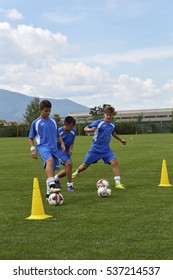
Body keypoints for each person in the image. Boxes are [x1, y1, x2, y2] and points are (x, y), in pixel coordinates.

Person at [72, 105, 127, 189]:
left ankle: (117, 183)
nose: (108, 116)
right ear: (104, 114)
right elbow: (85, 128)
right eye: (107, 114)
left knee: (115, 162)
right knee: (84, 166)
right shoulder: (99, 123)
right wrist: (90, 130)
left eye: (110, 115)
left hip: (106, 150)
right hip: (95, 149)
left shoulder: (112, 125)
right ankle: (76, 172)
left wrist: (121, 140)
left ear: (112, 115)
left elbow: (113, 133)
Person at [28, 100, 65, 198]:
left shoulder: (53, 121)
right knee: (49, 160)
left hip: (54, 148)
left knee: (52, 169)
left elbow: (58, 135)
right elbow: (31, 137)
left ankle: (49, 192)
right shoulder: (36, 123)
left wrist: (62, 144)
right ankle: (52, 184)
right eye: (46, 111)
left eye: (49, 111)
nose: (48, 113)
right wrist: (33, 149)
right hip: (42, 147)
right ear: (40, 110)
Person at [54, 116, 76, 192]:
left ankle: (55, 179)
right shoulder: (58, 131)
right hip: (58, 150)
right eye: (71, 126)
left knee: (69, 167)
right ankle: (70, 185)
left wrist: (70, 149)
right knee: (68, 164)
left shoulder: (73, 131)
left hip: (65, 151)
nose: (72, 128)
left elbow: (71, 142)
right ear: (66, 124)